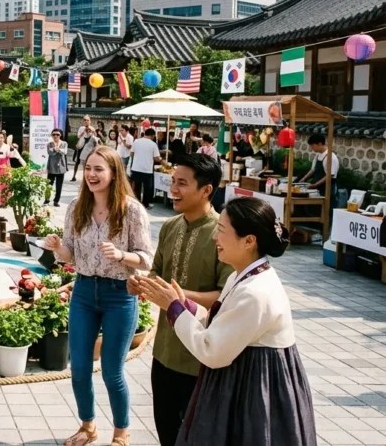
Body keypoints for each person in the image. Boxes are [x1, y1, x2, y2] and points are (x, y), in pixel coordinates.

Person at [137, 197, 316, 446]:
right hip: (244, 380)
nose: (214, 239)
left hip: (256, 388)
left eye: (221, 231)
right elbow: (220, 321)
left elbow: (212, 350)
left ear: (249, 241)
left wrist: (174, 308)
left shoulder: (256, 291)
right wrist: (183, 304)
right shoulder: (245, 276)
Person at [42, 146, 153, 446]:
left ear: (114, 173)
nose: (91, 174)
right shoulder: (76, 207)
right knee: (78, 368)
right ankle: (88, 427)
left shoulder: (132, 211)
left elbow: (147, 258)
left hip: (119, 294)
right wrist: (57, 248)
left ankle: (121, 432)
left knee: (112, 372)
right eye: (88, 168)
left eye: (98, 169)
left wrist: (121, 255)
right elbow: (71, 254)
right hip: (84, 293)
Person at [127, 154, 233, 446]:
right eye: (173, 181)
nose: (173, 189)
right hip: (164, 352)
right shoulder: (171, 226)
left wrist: (177, 297)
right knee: (166, 431)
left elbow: (227, 297)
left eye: (182, 184)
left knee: (197, 436)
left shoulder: (223, 234)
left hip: (201, 357)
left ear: (206, 190)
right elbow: (157, 273)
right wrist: (141, 283)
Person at [299, 134, 339, 207]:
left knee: (327, 209)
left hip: (328, 189)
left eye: (312, 146)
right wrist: (303, 180)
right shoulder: (317, 155)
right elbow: (313, 170)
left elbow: (329, 175)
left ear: (320, 144)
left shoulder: (330, 157)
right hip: (317, 189)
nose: (311, 148)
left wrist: (315, 185)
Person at [130, 128, 162, 209]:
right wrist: (162, 160)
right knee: (147, 188)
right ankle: (145, 204)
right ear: (152, 135)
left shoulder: (136, 141)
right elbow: (156, 158)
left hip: (136, 168)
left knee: (136, 187)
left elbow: (131, 154)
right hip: (147, 169)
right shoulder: (153, 144)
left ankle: (136, 204)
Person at [47, 129, 69, 207]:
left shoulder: (64, 143)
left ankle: (56, 200)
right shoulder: (49, 144)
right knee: (49, 185)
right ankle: (47, 200)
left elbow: (65, 152)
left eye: (57, 134)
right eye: (54, 134)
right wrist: (56, 150)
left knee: (59, 185)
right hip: (52, 167)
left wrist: (57, 149)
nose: (55, 136)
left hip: (61, 167)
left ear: (60, 135)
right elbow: (50, 153)